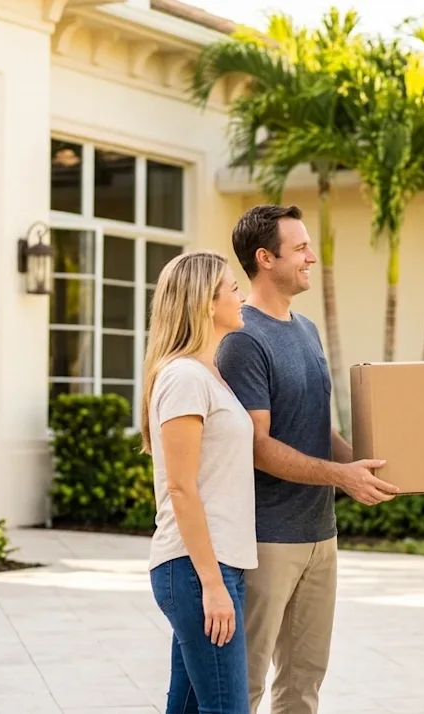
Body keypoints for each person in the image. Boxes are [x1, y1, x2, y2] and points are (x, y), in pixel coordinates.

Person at [215, 204, 400, 714]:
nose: (311, 257)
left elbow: (321, 428)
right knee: (245, 685)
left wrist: (372, 468)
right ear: (264, 258)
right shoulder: (242, 338)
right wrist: (341, 476)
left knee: (303, 686)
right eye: (299, 248)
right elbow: (256, 445)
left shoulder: (307, 329)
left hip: (321, 535)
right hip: (267, 539)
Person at [141, 249, 257, 714]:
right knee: (228, 707)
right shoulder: (186, 377)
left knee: (188, 707)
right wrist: (212, 584)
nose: (242, 298)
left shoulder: (206, 374)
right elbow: (181, 487)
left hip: (210, 564)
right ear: (206, 303)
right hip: (196, 567)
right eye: (232, 289)